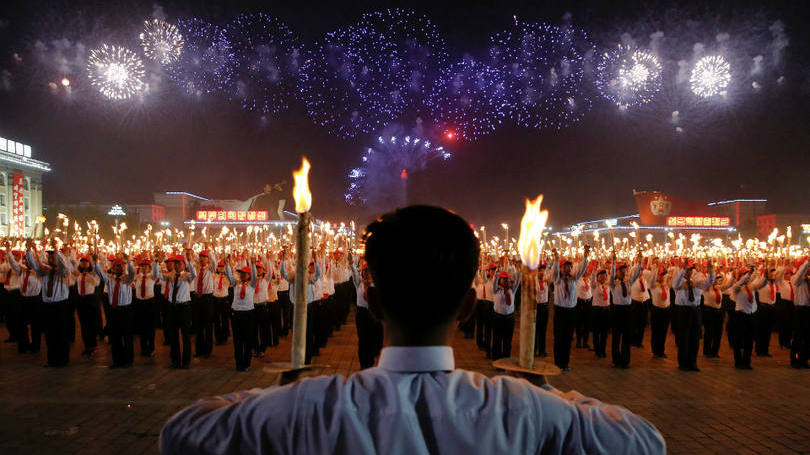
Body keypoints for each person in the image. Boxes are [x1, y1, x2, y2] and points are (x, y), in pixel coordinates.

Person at [160, 205, 665, 455]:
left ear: (374, 302)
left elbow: (181, 432)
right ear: (469, 307)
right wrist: (548, 392)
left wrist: (276, 392)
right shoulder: (522, 409)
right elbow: (646, 441)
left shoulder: (313, 406)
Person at [25, 240, 74, 367]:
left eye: (53, 256)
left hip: (60, 305)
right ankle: (51, 359)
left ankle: (62, 359)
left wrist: (57, 251)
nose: (51, 258)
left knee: (61, 333)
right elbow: (33, 265)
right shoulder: (45, 271)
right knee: (50, 334)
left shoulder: (63, 272)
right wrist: (28, 250)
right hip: (48, 305)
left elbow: (64, 265)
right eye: (49, 256)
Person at [550, 246, 590, 371]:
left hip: (571, 312)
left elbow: (582, 269)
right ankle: (557, 363)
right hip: (560, 311)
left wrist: (585, 256)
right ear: (561, 269)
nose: (567, 268)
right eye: (564, 266)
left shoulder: (574, 280)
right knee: (558, 338)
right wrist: (556, 260)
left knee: (567, 338)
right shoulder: (557, 280)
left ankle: (565, 363)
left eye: (569, 266)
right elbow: (554, 272)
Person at [154, 251, 196, 369]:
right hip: (172, 307)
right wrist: (157, 262)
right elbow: (156, 274)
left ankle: (186, 361)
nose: (177, 266)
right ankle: (175, 360)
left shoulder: (187, 275)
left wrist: (189, 260)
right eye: (175, 263)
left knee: (185, 335)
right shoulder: (170, 275)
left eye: (179, 263)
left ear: (183, 265)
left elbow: (194, 274)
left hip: (184, 307)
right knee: (173, 335)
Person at [94, 254, 136, 368]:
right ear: (113, 268)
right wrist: (95, 262)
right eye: (116, 266)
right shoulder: (110, 280)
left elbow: (132, 273)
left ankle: (128, 361)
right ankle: (117, 360)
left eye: (121, 266)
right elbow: (100, 273)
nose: (119, 268)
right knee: (115, 336)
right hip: (114, 310)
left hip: (125, 310)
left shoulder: (127, 279)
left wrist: (129, 262)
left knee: (127, 336)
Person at [672, 259, 714, 372]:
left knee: (695, 338)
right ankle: (683, 363)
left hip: (695, 310)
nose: (688, 272)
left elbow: (709, 282)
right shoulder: (679, 282)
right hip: (683, 310)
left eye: (690, 270)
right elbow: (675, 284)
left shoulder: (696, 282)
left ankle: (693, 362)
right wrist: (682, 269)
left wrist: (710, 270)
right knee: (683, 338)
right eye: (687, 270)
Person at [349, 251, 382, 369]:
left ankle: (371, 359)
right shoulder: (359, 283)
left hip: (372, 314)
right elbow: (354, 272)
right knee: (363, 339)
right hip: (362, 314)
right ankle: (364, 362)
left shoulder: (375, 285)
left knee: (372, 338)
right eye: (365, 272)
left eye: (369, 272)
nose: (367, 275)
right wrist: (352, 262)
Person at [609, 250, 642, 369]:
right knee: (616, 337)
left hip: (628, 310)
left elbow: (637, 274)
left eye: (624, 270)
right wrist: (613, 262)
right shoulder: (614, 283)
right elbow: (611, 275)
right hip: (617, 310)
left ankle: (625, 360)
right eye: (620, 270)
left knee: (627, 336)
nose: (623, 272)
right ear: (617, 272)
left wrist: (639, 261)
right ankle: (616, 360)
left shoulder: (628, 283)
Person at [7, 247, 41, 354]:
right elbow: (13, 263)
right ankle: (23, 345)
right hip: (23, 299)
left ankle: (35, 346)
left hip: (34, 300)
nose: (27, 262)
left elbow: (34, 264)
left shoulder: (38, 272)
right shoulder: (22, 271)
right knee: (21, 324)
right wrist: (8, 250)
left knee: (35, 325)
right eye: (26, 260)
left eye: (29, 260)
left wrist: (31, 251)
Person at [225, 255, 254, 372]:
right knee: (237, 340)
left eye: (244, 273)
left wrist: (252, 264)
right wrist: (227, 263)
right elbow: (228, 274)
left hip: (248, 314)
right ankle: (238, 363)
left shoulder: (252, 284)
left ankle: (247, 362)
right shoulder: (236, 283)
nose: (241, 275)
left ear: (248, 275)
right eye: (240, 273)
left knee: (247, 340)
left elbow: (256, 276)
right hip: (237, 314)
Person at [730, 266, 763, 370]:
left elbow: (761, 283)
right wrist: (747, 275)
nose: (747, 277)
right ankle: (738, 362)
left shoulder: (751, 286)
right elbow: (740, 283)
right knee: (738, 341)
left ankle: (747, 362)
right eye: (744, 275)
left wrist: (765, 276)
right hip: (741, 316)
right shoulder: (736, 288)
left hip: (751, 315)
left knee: (749, 340)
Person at [190, 250, 217, 359]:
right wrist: (190, 252)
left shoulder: (211, 269)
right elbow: (190, 261)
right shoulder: (196, 268)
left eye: (204, 257)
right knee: (198, 324)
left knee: (208, 325)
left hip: (207, 298)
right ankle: (199, 349)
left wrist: (209, 250)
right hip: (198, 298)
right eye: (200, 257)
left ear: (208, 259)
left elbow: (214, 261)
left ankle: (208, 350)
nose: (202, 259)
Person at [73, 256, 100, 356]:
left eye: (86, 262)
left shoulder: (93, 274)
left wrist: (94, 262)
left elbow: (96, 282)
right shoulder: (78, 274)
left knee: (91, 323)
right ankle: (86, 346)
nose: (84, 264)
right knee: (83, 324)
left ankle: (93, 345)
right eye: (82, 262)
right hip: (81, 300)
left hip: (90, 300)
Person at [755, 265, 784, 357]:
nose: (772, 274)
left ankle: (765, 350)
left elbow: (780, 274)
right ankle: (759, 350)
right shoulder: (761, 283)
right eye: (771, 272)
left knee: (768, 330)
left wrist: (784, 265)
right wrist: (764, 273)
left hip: (771, 307)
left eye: (773, 272)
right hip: (763, 308)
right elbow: (757, 282)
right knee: (761, 330)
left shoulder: (773, 283)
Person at [491, 269, 520, 360]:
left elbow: (518, 281)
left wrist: (518, 271)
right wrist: (497, 274)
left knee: (507, 341)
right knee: (497, 340)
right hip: (498, 318)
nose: (505, 280)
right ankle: (496, 360)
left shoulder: (512, 290)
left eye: (507, 279)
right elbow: (494, 283)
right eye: (503, 279)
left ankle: (506, 360)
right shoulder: (497, 290)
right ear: (500, 280)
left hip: (509, 319)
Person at [133, 258, 157, 357]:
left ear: (150, 268)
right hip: (139, 303)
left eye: (146, 266)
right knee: (141, 327)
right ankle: (143, 348)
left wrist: (155, 262)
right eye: (142, 266)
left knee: (150, 327)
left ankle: (151, 348)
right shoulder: (137, 277)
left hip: (149, 303)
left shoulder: (152, 277)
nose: (143, 268)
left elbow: (156, 272)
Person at [647, 262, 672, 358]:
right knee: (656, 331)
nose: (661, 278)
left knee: (664, 331)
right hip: (657, 310)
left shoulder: (667, 285)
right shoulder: (654, 286)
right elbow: (652, 281)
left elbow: (672, 276)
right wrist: (655, 270)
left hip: (666, 310)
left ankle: (661, 350)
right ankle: (655, 350)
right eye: (660, 276)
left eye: (662, 276)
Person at [789, 258, 810, 368]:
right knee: (798, 337)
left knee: (807, 337)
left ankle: (804, 359)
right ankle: (795, 360)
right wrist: (807, 262)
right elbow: (801, 273)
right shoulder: (795, 278)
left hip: (808, 310)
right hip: (800, 310)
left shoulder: (808, 279)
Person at [589, 268, 611, 358]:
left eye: (604, 276)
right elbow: (592, 279)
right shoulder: (594, 286)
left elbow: (612, 277)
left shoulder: (607, 285)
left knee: (604, 332)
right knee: (596, 331)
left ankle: (603, 349)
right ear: (598, 277)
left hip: (606, 310)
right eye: (601, 276)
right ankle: (597, 349)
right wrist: (594, 271)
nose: (603, 277)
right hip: (597, 310)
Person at [212, 259, 231, 345]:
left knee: (224, 319)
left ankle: (224, 336)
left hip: (224, 299)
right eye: (219, 266)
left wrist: (228, 265)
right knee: (216, 319)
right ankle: (218, 337)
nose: (221, 268)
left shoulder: (227, 277)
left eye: (222, 267)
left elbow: (231, 274)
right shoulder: (214, 276)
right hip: (216, 299)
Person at [575, 262, 593, 350]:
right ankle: (578, 341)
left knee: (587, 323)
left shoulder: (589, 280)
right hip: (580, 302)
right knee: (579, 322)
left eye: (588, 270)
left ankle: (585, 342)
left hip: (588, 303)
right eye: (585, 270)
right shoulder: (578, 280)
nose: (587, 272)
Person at [535, 262, 550, 357]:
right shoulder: (534, 281)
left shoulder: (546, 281)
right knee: (535, 330)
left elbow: (552, 273)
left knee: (543, 330)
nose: (542, 272)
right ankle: (533, 349)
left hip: (545, 307)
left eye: (543, 270)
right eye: (540, 270)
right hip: (536, 307)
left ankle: (542, 350)